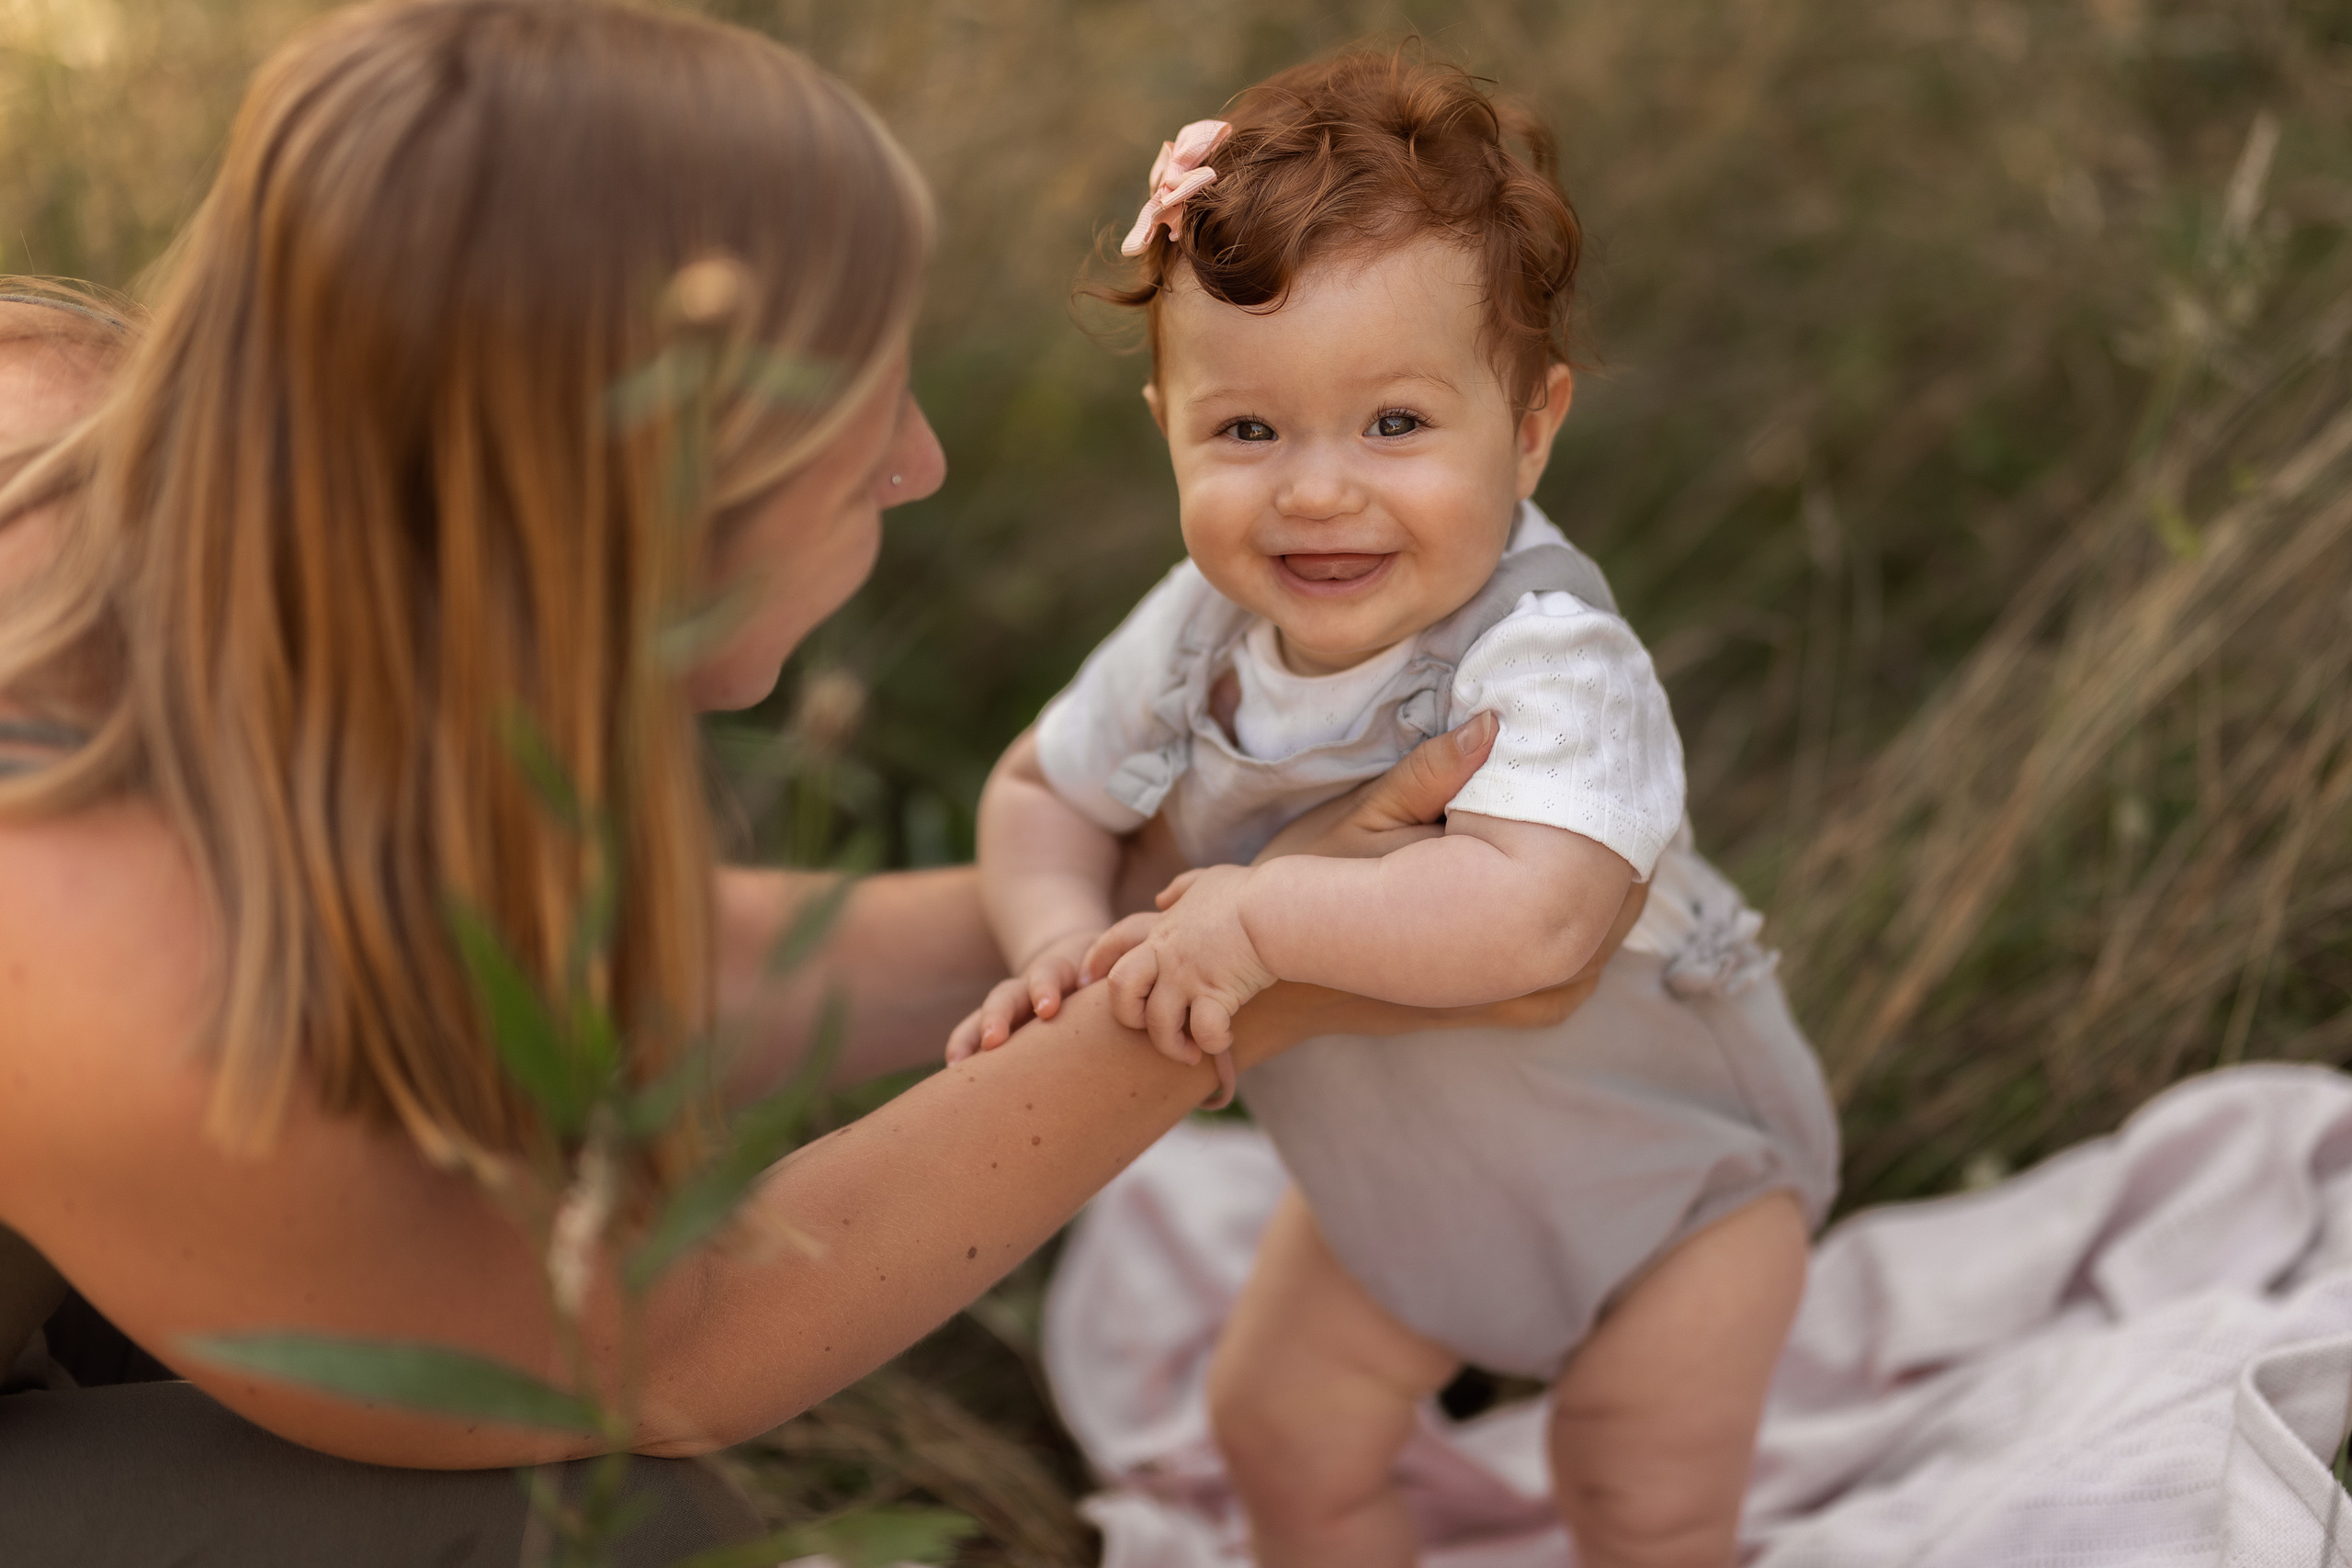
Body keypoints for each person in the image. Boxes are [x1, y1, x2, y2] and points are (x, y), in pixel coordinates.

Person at [0, 6, 1636, 1563]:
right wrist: (1253, 975)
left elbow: (570, 970)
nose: (919, 461)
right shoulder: (77, 892)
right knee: (598, 1538)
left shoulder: (169, 460)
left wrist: (1177, 879)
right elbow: (666, 1342)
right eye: (858, 401)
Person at [950, 51, 1839, 1568]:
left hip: (1676, 1186)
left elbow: (1537, 921)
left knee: (1634, 1488)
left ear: (1531, 427)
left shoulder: (1547, 655)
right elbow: (1041, 788)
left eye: (1394, 426)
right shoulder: (1197, 632)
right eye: (1247, 432)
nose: (1315, 492)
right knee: (1275, 1434)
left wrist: (1261, 919)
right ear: (1167, 424)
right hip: (1406, 1192)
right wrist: (1052, 943)